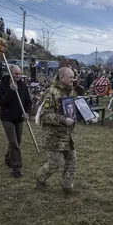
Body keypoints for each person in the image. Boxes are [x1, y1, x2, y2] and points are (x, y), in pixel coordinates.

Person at [36, 67, 78, 196]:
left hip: (67, 134)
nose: (73, 79)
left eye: (73, 77)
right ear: (62, 78)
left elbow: (72, 110)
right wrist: (63, 120)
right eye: (70, 77)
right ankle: (40, 178)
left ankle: (67, 186)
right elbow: (45, 116)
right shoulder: (51, 93)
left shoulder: (71, 92)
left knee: (72, 160)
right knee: (56, 163)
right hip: (53, 135)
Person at [0, 65, 32, 178]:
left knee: (17, 142)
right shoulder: (2, 85)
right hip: (7, 118)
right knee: (13, 142)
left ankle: (8, 158)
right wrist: (10, 91)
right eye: (16, 74)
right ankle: (16, 168)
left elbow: (28, 101)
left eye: (19, 74)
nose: (18, 76)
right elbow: (1, 102)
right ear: (10, 73)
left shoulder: (23, 85)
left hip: (19, 118)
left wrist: (27, 113)